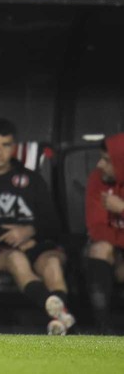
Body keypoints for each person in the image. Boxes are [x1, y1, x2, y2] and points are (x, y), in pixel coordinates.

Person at [0, 118, 75, 335]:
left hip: (36, 243)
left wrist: (28, 231)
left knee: (52, 265)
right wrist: (10, 235)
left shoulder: (31, 179)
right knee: (16, 260)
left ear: (14, 146)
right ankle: (60, 314)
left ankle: (60, 322)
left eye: (6, 145)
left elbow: (54, 222)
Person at [84, 134, 124, 334]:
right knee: (100, 248)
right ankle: (103, 329)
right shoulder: (97, 179)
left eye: (107, 160)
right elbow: (96, 227)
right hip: (115, 249)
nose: (100, 164)